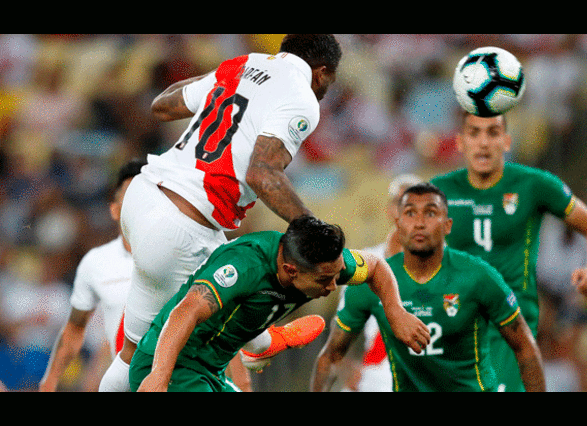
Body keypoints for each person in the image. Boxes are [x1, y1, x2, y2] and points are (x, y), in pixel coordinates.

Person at [99, 34, 345, 391]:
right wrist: (312, 230)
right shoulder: (302, 98)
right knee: (226, 302)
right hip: (183, 225)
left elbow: (163, 105)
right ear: (322, 73)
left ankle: (260, 343)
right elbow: (261, 173)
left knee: (132, 352)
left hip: (144, 195)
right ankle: (259, 344)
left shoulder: (244, 64)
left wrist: (217, 80)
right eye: (329, 82)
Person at [129, 215, 430, 392]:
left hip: (212, 367)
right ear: (291, 271)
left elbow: (375, 267)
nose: (332, 286)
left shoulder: (323, 263)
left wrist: (395, 311)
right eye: (324, 280)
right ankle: (267, 341)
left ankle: (265, 341)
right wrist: (159, 376)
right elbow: (186, 311)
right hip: (172, 363)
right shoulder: (244, 266)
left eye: (336, 275)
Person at [429, 110, 587, 392]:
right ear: (461, 142)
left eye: (493, 133)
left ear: (507, 141)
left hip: (511, 334)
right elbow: (398, 247)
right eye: (475, 133)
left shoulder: (534, 184)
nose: (484, 142)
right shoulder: (438, 192)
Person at [311, 182, 545, 392]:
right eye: (410, 213)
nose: (420, 223)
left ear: (448, 225)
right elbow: (331, 356)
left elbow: (524, 346)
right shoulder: (368, 282)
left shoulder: (478, 277)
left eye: (430, 213)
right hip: (383, 378)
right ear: (397, 223)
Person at [39, 159, 144, 392]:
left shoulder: (173, 257)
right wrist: (51, 381)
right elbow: (75, 328)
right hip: (104, 363)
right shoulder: (96, 262)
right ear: (114, 208)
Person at [340, 173, 421, 392]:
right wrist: (349, 366)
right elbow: (345, 326)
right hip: (376, 372)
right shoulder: (363, 261)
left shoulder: (449, 264)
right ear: (389, 209)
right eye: (400, 202)